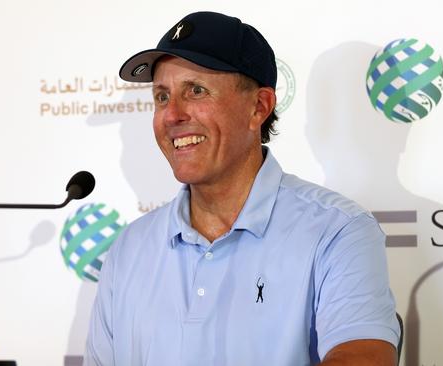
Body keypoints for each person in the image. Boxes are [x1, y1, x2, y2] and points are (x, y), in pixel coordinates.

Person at [84, 11, 400, 366]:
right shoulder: (129, 249)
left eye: (196, 90)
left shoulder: (338, 231)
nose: (172, 115)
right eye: (161, 97)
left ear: (258, 107)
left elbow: (363, 356)